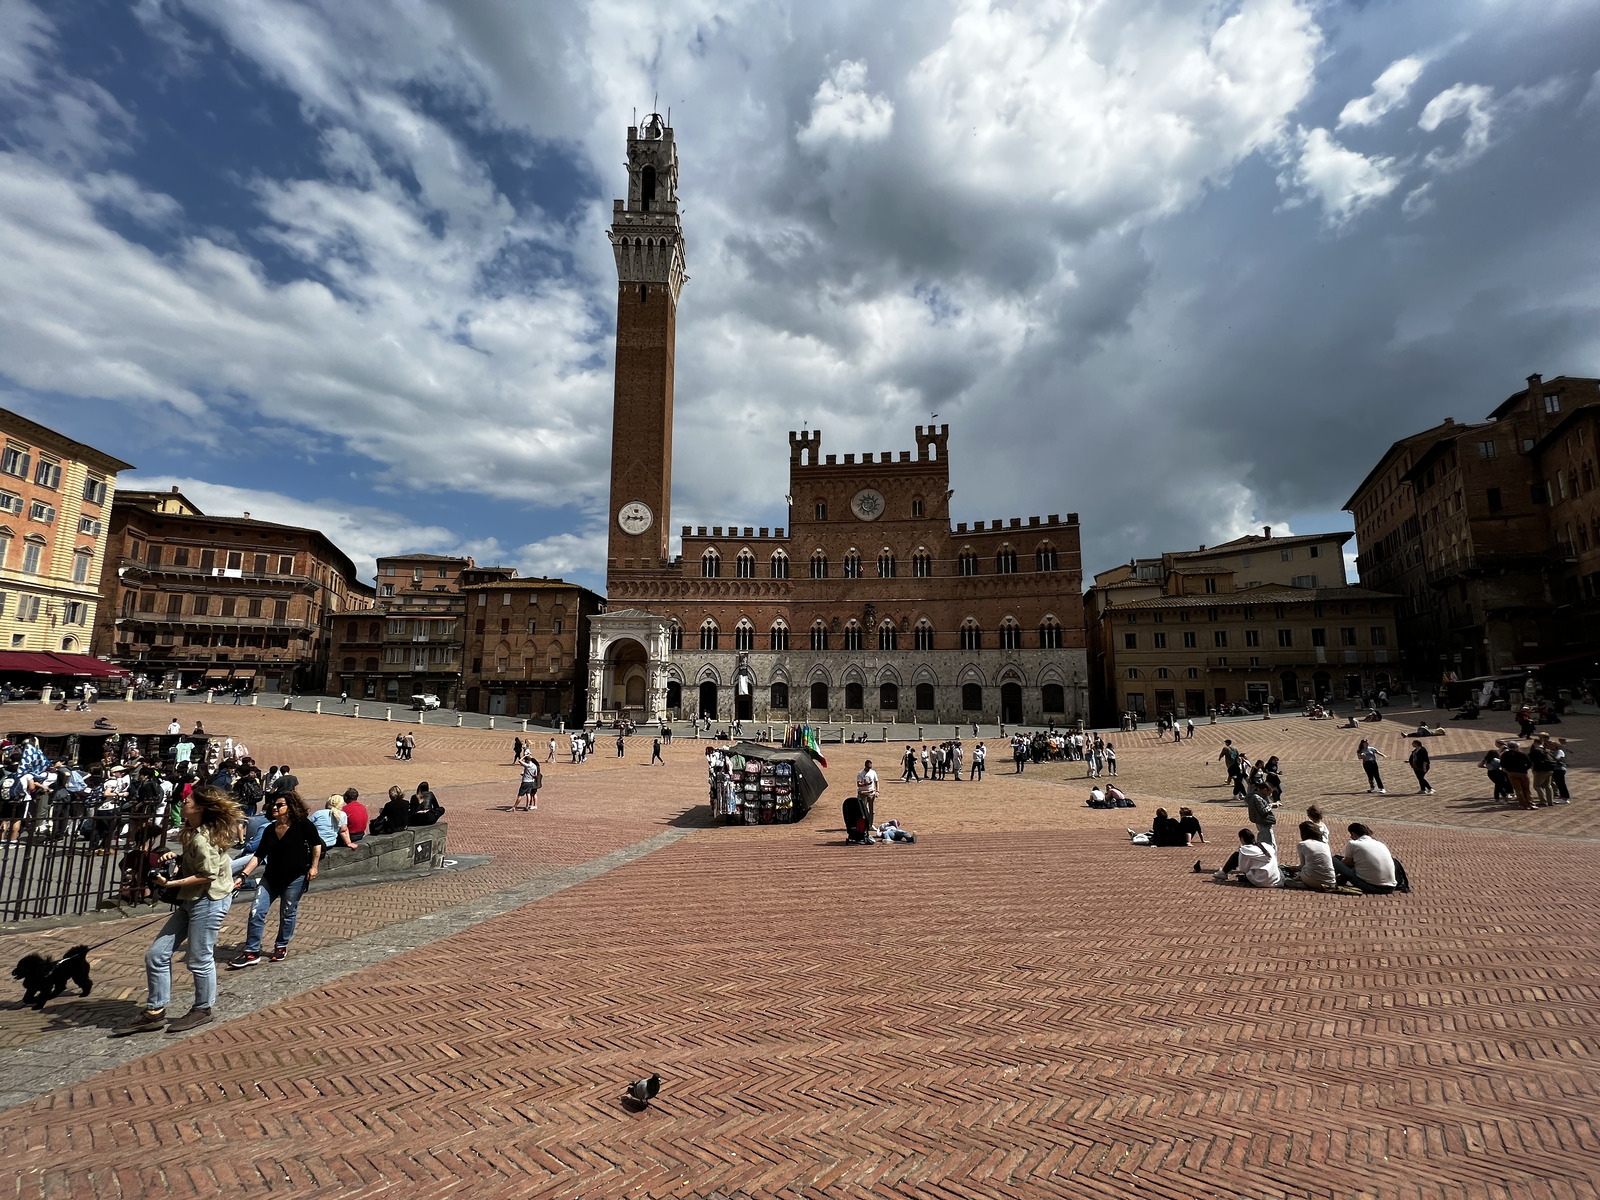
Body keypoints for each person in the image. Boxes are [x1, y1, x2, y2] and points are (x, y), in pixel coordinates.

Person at [116, 785, 242, 1035]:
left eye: (189, 800)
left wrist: (170, 883)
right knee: (156, 955)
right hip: (191, 899)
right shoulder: (192, 832)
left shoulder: (202, 837)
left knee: (199, 958)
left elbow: (207, 874)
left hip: (209, 899)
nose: (183, 802)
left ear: (201, 807)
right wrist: (177, 858)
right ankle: (155, 1011)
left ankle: (202, 1008)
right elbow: (198, 863)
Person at [228, 792, 322, 968]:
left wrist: (314, 866)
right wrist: (243, 875)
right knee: (257, 911)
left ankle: (281, 945)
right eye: (274, 805)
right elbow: (259, 855)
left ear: (291, 807)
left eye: (280, 805)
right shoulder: (269, 829)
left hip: (295, 878)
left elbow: (316, 844)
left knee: (287, 912)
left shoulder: (303, 825)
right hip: (270, 878)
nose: (275, 807)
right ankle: (251, 951)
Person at [1334, 823, 1399, 894]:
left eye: (1351, 835)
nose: (1351, 837)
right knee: (1358, 863)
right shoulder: (1380, 844)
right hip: (1391, 887)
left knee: (1334, 860)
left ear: (1354, 834)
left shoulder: (1353, 843)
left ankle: (1330, 881)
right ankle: (1340, 880)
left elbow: (1347, 862)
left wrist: (1342, 862)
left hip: (1372, 887)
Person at [1212, 828, 1281, 887]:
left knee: (1236, 855)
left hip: (1260, 880)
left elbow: (1243, 869)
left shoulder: (1245, 850)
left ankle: (1223, 873)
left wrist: (1241, 852)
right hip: (1275, 879)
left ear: (1242, 839)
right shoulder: (1265, 846)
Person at [1282, 820, 1337, 891]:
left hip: (1314, 879)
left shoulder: (1302, 844)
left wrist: (1292, 868)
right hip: (1331, 881)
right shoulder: (1325, 845)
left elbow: (1302, 866)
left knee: (1296, 875)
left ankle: (1302, 884)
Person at [1498, 740, 1534, 809]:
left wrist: (1507, 770)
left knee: (1518, 789)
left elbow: (1502, 765)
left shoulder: (1504, 755)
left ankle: (1522, 804)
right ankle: (1530, 803)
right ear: (1516, 747)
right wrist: (1525, 769)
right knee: (1526, 789)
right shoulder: (1521, 754)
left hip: (1511, 773)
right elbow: (1529, 763)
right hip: (1522, 772)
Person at [1245, 777, 1278, 851]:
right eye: (1269, 792)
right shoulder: (1257, 798)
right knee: (1270, 844)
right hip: (1263, 821)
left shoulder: (1258, 797)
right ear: (1264, 790)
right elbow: (1263, 811)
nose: (1270, 795)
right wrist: (1271, 805)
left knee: (1265, 840)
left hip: (1261, 821)